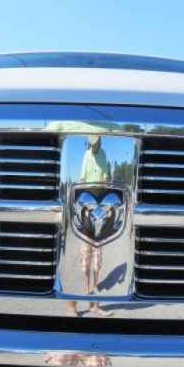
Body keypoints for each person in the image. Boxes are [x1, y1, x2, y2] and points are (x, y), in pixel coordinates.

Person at [66, 136, 113, 317]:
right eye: (91, 145)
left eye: (96, 145)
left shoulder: (104, 155)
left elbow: (107, 179)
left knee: (97, 258)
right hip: (87, 205)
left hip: (100, 208)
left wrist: (106, 180)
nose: (94, 148)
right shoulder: (86, 155)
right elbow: (83, 179)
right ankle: (82, 294)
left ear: (100, 143)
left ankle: (95, 305)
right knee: (85, 256)